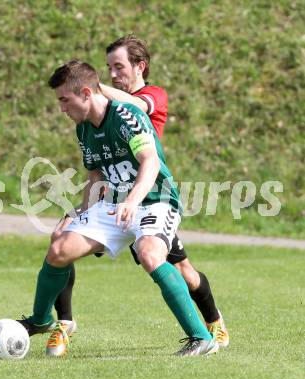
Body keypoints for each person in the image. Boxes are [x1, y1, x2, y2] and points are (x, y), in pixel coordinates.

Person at [19, 60, 218, 357]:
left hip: (155, 201)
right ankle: (41, 320)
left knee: (152, 254)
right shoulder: (83, 127)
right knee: (59, 249)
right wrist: (78, 212)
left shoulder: (126, 116)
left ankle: (202, 338)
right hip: (114, 206)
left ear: (86, 93)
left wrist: (132, 200)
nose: (61, 107)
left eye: (64, 99)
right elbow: (96, 176)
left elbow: (150, 161)